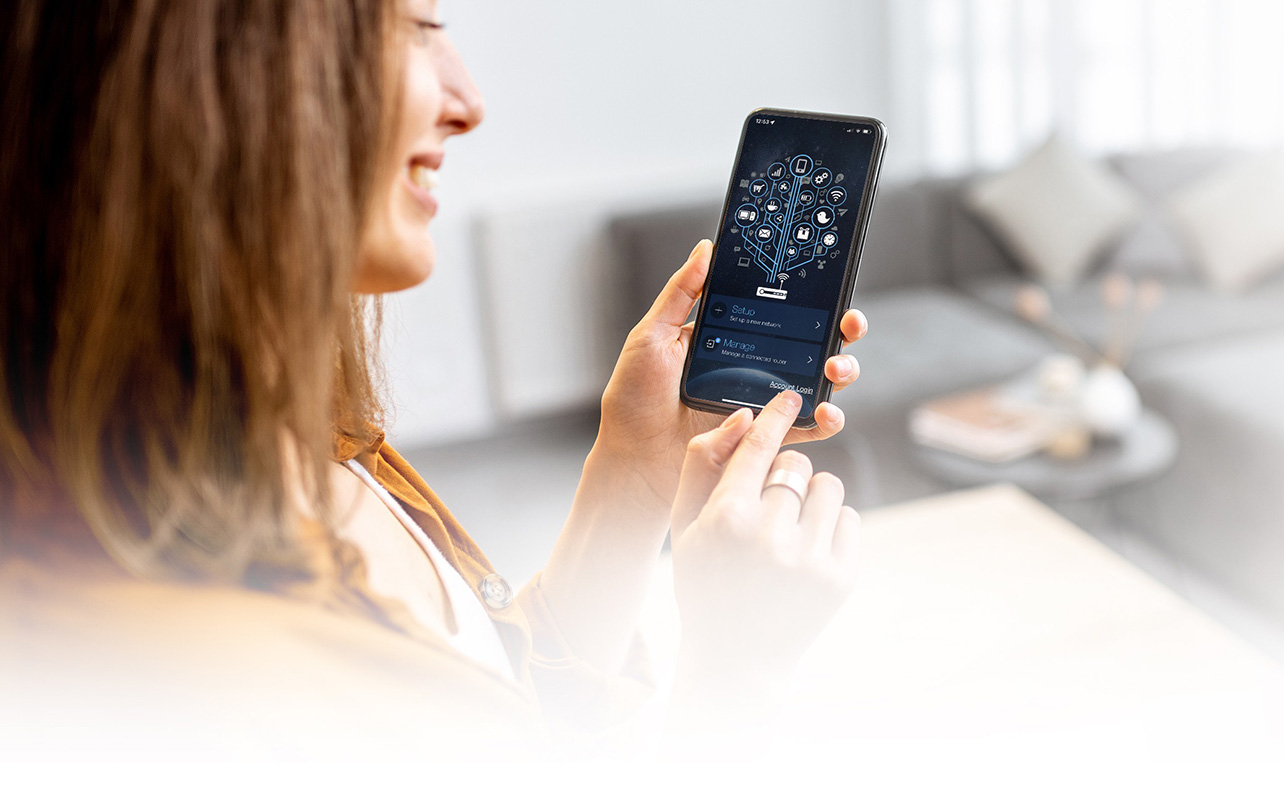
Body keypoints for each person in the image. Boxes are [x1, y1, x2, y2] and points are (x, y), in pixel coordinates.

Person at [0, 0, 869, 757]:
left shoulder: (312, 446)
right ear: (220, 77)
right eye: (418, 31)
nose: (468, 102)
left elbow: (518, 723)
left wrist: (634, 470)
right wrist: (736, 677)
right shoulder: (196, 672)